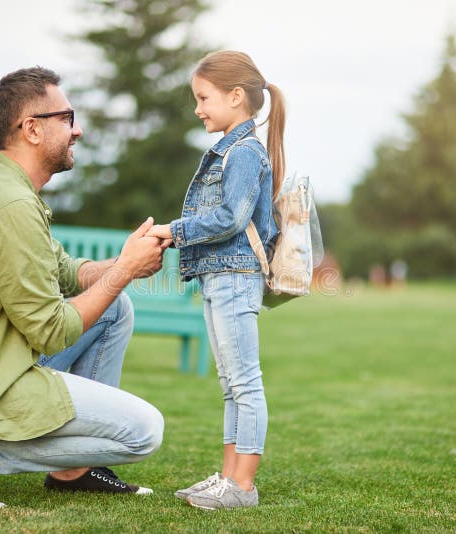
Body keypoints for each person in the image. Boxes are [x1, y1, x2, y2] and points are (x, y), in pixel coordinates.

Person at [0, 67, 169, 508]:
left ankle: (73, 470)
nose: (77, 130)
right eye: (66, 117)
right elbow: (51, 332)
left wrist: (124, 261)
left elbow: (61, 268)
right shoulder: (12, 202)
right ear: (32, 129)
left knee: (117, 310)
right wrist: (124, 273)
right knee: (144, 432)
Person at [146, 50, 286, 509]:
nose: (198, 108)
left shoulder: (244, 152)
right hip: (218, 277)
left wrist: (175, 230)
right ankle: (229, 478)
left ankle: (243, 486)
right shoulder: (231, 148)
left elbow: (229, 218)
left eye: (203, 98)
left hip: (234, 276)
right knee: (230, 383)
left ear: (236, 96)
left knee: (244, 382)